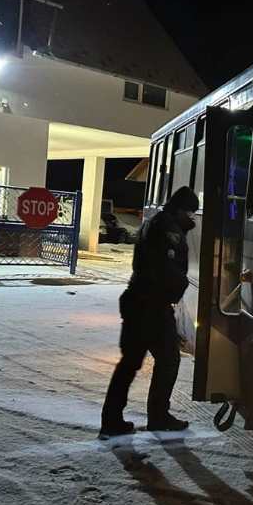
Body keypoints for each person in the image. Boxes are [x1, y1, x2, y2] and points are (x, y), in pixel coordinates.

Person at [99, 186, 199, 439]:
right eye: (190, 213)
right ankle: (158, 416)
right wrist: (180, 287)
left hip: (140, 302)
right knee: (167, 360)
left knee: (130, 364)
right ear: (180, 210)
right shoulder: (167, 229)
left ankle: (112, 419)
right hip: (150, 305)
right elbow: (166, 270)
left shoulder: (158, 223)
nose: (193, 219)